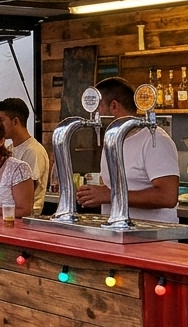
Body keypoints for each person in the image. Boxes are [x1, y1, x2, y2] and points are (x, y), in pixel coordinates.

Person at [76, 77, 180, 223]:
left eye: (98, 108)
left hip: (151, 233)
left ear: (114, 106)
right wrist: (94, 195)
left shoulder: (155, 140)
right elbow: (113, 188)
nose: (94, 115)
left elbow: (167, 197)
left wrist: (111, 195)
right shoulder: (111, 140)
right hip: (117, 229)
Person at [0, 98, 50, 215]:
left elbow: (28, 189)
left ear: (15, 121)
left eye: (1, 120)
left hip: (26, 217)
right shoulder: (10, 148)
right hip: (8, 213)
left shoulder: (33, 151)